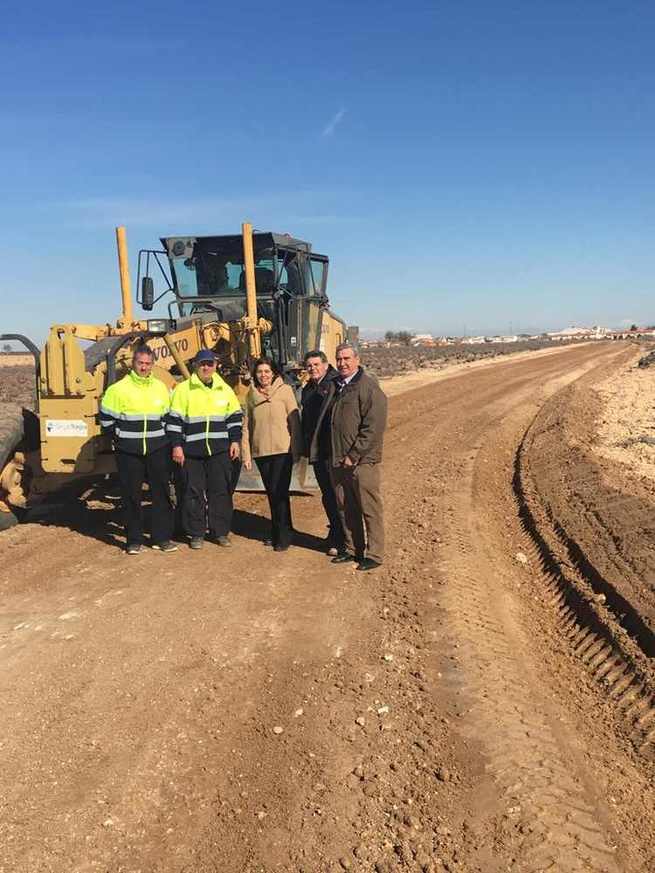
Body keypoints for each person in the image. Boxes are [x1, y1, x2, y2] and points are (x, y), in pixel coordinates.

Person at [100, 344, 177, 555]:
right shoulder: (118, 389)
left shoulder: (161, 388)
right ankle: (134, 540)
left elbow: (169, 417)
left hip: (157, 449)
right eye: (140, 363)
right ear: (133, 363)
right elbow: (106, 419)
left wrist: (165, 440)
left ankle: (161, 538)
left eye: (147, 364)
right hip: (129, 452)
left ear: (153, 365)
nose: (144, 367)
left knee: (160, 494)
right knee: (131, 495)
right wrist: (120, 439)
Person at [167, 349, 243, 549]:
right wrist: (177, 446)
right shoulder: (183, 390)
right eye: (203, 364)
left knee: (221, 492)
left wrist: (235, 441)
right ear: (195, 366)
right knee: (193, 493)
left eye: (210, 364)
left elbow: (234, 417)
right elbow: (174, 421)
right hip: (192, 452)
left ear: (215, 365)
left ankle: (220, 532)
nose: (206, 367)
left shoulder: (224, 389)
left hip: (219, 451)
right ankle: (196, 533)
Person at [330, 342, 387, 571]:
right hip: (339, 459)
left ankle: (374, 554)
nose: (342, 363)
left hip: (362, 462)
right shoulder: (338, 386)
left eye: (346, 359)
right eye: (339, 359)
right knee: (347, 508)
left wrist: (354, 454)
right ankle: (354, 549)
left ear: (357, 360)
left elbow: (373, 427)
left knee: (369, 508)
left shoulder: (368, 387)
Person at [242, 357, 302, 551]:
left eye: (267, 371)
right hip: (262, 452)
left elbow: (294, 422)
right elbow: (247, 427)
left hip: (282, 450)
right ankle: (280, 530)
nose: (263, 375)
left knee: (280, 493)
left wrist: (296, 448)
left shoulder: (284, 391)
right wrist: (247, 454)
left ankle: (282, 536)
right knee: (271, 493)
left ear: (274, 373)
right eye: (260, 372)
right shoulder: (251, 395)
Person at [301, 349, 345, 556]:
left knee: (339, 497)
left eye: (317, 364)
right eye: (309, 366)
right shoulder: (308, 389)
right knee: (327, 495)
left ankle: (344, 539)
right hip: (317, 451)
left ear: (326, 365)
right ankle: (334, 533)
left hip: (332, 451)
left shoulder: (337, 385)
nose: (313, 368)